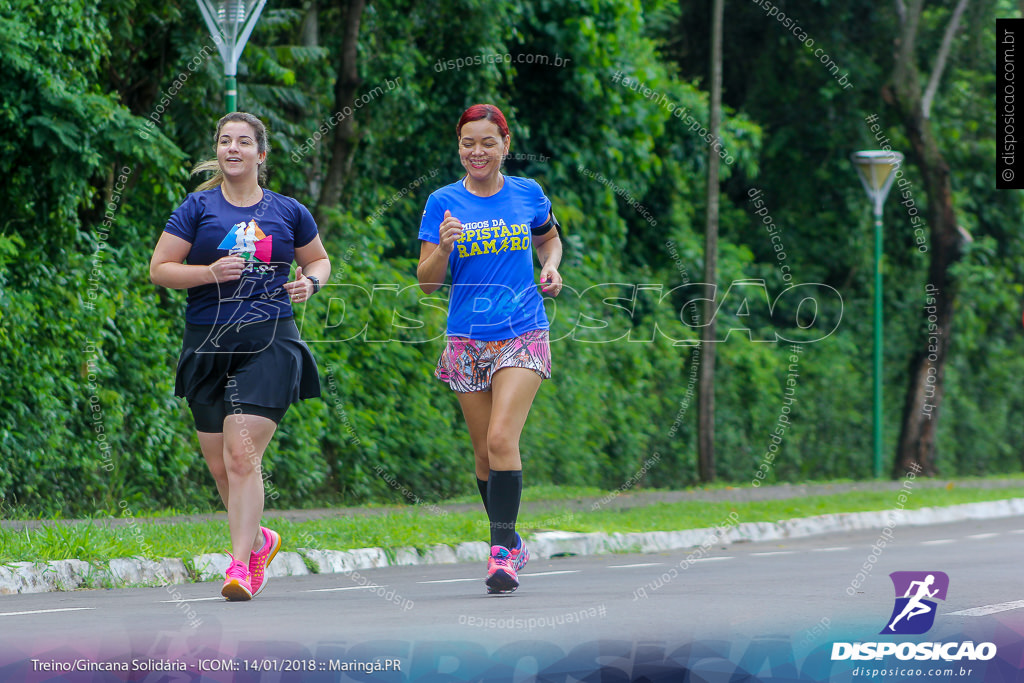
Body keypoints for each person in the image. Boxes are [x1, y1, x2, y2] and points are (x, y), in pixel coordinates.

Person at [150, 112, 331, 601]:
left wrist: (310, 282)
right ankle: (260, 541)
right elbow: (161, 269)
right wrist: (209, 272)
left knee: (240, 455)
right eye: (225, 141)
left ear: (261, 154)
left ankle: (239, 567)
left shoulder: (289, 211)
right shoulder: (196, 207)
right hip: (206, 341)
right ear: (218, 150)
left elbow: (318, 258)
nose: (234, 148)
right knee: (220, 466)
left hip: (270, 339)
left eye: (244, 142)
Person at [417, 103, 563, 594]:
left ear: (506, 145)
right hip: (466, 337)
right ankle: (512, 540)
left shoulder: (528, 193)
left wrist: (551, 266)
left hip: (523, 329)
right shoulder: (442, 202)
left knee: (502, 440)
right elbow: (426, 285)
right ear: (459, 147)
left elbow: (549, 239)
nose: (476, 151)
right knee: (483, 456)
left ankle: (500, 553)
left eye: (487, 142)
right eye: (467, 143)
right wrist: (442, 249)